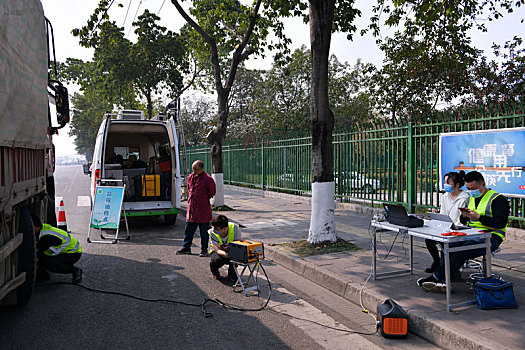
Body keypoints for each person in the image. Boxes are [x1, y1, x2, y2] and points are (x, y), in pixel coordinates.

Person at [417, 171, 508, 292]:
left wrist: (479, 218)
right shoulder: (471, 197)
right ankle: (450, 276)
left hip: (491, 236)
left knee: (461, 251)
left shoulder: (497, 199)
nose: (470, 191)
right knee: (447, 245)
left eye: (473, 188)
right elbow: (464, 221)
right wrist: (464, 216)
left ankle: (437, 278)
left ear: (483, 184)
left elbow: (501, 223)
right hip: (470, 233)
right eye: (468, 188)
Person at [424, 171, 470, 274]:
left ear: (457, 185)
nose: (445, 185)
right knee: (429, 240)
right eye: (445, 182)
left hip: (458, 228)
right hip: (444, 226)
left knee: (447, 244)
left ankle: (448, 269)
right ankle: (437, 263)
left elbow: (464, 219)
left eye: (448, 183)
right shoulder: (445, 196)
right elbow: (443, 213)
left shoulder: (465, 197)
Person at [177, 160, 216, 257]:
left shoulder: (208, 179)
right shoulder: (191, 177)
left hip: (203, 209)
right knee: (188, 230)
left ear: (201, 169)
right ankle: (186, 247)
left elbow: (212, 192)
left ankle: (204, 250)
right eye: (193, 169)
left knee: (204, 232)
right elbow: (189, 188)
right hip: (192, 210)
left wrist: (202, 198)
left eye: (196, 170)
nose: (194, 171)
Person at [32, 214, 83, 284]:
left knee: (52, 265)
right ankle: (43, 275)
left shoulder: (46, 236)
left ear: (35, 227)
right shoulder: (43, 229)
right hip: (69, 250)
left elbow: (38, 253)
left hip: (73, 253)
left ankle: (75, 271)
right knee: (44, 257)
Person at [208, 215, 243, 281]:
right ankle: (215, 272)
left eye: (217, 229)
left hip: (231, 249)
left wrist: (229, 247)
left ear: (225, 228)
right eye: (214, 228)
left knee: (236, 257)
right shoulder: (212, 232)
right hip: (217, 251)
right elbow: (217, 250)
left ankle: (232, 273)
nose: (215, 231)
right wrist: (226, 255)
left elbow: (239, 243)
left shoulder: (235, 228)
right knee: (216, 260)